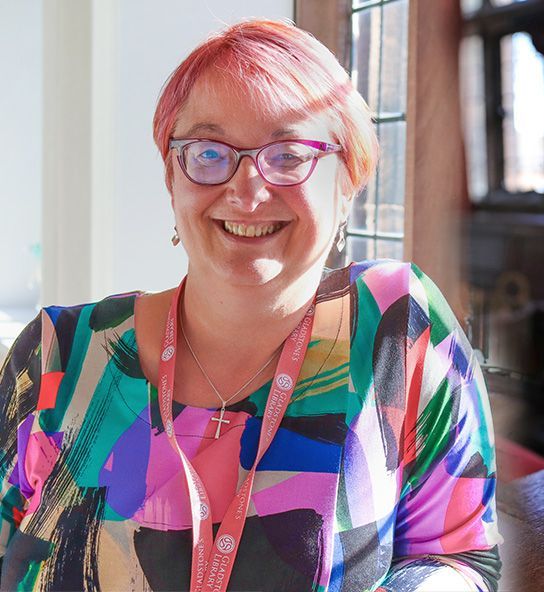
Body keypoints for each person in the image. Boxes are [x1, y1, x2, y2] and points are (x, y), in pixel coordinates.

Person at [0, 19, 500, 591]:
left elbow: (461, 557)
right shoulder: (57, 352)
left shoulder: (396, 329)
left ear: (348, 182)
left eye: (288, 155)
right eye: (209, 152)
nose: (247, 189)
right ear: (173, 177)